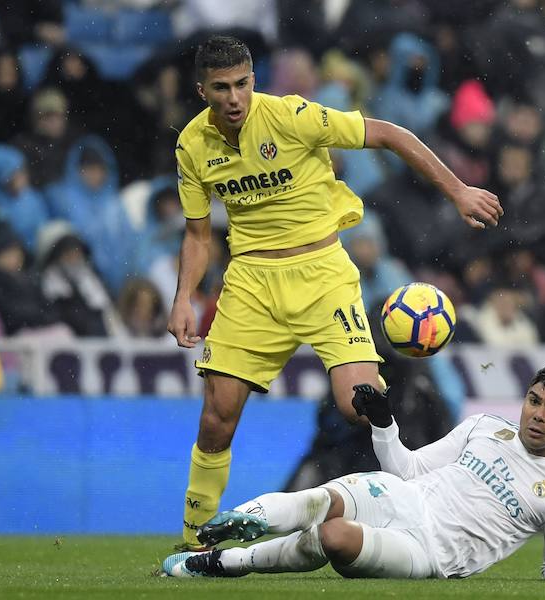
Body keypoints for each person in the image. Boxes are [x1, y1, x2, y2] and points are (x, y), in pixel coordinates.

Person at [168, 36, 502, 551]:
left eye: (242, 84)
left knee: (359, 406)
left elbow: (388, 133)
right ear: (202, 90)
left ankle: (418, 509)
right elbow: (196, 234)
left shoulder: (294, 116)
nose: (234, 97)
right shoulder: (192, 145)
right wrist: (184, 297)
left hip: (323, 272)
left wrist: (458, 190)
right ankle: (194, 544)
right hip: (251, 283)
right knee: (216, 418)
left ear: (253, 80)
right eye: (221, 88)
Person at [161, 365, 545, 582]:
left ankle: (226, 563)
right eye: (534, 400)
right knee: (318, 501)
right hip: (401, 495)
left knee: (333, 536)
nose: (538, 414)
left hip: (429, 552)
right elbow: (408, 469)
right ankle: (236, 519)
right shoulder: (485, 428)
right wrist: (383, 422)